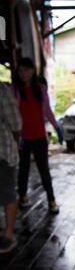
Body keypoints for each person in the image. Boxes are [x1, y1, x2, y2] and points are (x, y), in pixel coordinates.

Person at [12, 57, 63, 214]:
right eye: (20, 71)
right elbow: (12, 114)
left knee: (44, 169)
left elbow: (47, 110)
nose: (23, 73)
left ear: (33, 70)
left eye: (26, 70)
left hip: (39, 136)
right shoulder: (14, 90)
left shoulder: (40, 88)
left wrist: (57, 127)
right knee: (24, 168)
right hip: (22, 137)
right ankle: (23, 196)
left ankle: (52, 200)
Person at [0, 82, 22, 253]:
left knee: (7, 191)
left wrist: (16, 144)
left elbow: (15, 124)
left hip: (2, 151)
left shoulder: (2, 91)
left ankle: (8, 235)